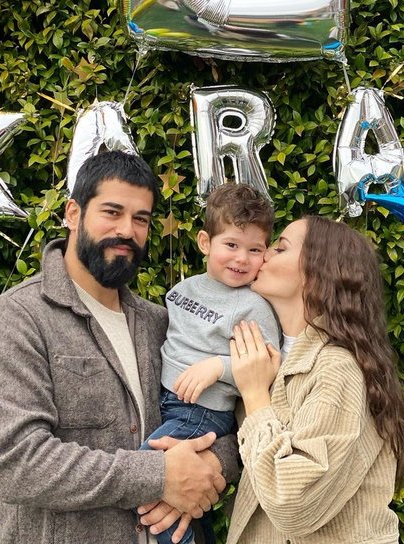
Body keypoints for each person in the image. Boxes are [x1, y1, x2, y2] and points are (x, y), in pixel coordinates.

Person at [0, 150, 239, 544]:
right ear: (73, 213)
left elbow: (226, 417)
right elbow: (20, 464)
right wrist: (159, 475)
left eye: (141, 219)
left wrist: (215, 462)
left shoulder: (160, 323)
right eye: (112, 212)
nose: (127, 230)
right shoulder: (18, 318)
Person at [226, 215, 404, 544]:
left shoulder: (336, 368)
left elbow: (293, 503)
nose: (264, 253)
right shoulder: (268, 357)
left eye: (280, 248)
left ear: (316, 274)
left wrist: (254, 396)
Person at [139, 183, 281, 544]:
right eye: (231, 245)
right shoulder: (182, 291)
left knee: (148, 471)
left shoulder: (253, 306)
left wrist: (217, 366)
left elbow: (268, 363)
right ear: (205, 242)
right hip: (168, 405)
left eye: (254, 249)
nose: (241, 258)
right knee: (161, 482)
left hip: (202, 412)